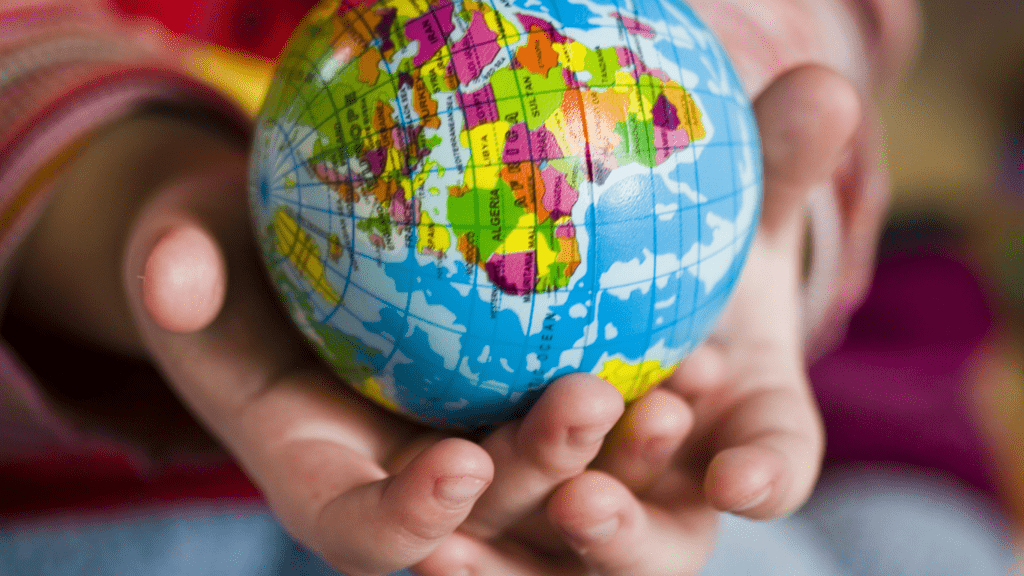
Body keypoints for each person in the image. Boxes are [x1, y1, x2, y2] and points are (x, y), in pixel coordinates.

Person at [5, 1, 1010, 575]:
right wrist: (111, 189)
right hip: (95, 508)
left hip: (659, 446)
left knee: (928, 550)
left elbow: (822, 23)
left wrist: (736, 152)